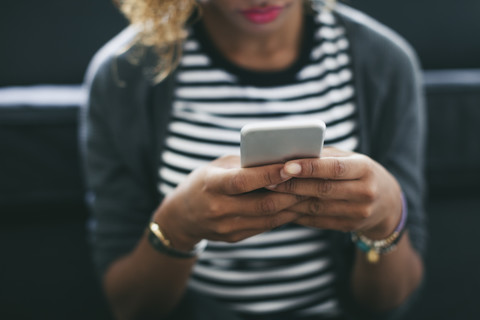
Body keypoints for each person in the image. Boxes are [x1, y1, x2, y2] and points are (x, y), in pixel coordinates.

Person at [82, 0, 426, 319]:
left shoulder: (383, 63)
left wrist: (387, 220)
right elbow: (130, 305)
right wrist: (178, 226)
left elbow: (391, 301)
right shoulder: (124, 74)